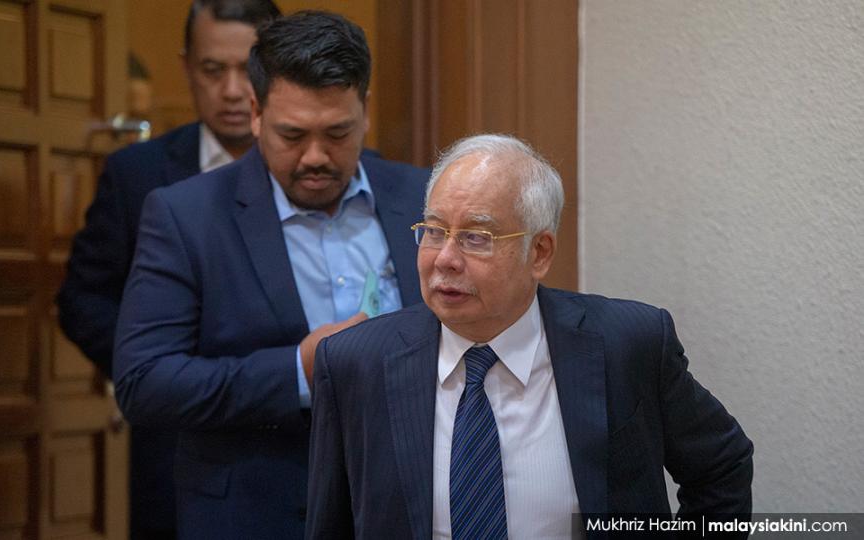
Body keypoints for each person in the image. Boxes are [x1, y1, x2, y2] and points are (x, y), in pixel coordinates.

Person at [305, 134, 755, 539]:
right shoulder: (354, 365)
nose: (444, 259)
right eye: (435, 231)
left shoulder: (626, 344)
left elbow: (722, 466)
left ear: (539, 253)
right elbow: (330, 525)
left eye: (476, 237)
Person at [113, 10, 430, 539]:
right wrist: (299, 370)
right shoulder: (186, 216)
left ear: (365, 111)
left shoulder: (422, 197)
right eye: (292, 135)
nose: (315, 157)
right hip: (255, 514)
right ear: (257, 114)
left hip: (406, 509)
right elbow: (144, 383)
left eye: (337, 132)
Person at [57, 2, 281, 538]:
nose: (232, 91)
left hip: (292, 433)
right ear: (186, 68)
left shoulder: (317, 169)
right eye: (213, 70)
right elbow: (83, 300)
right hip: (177, 443)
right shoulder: (137, 174)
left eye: (248, 69)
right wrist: (158, 364)